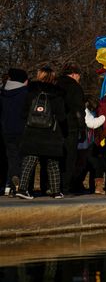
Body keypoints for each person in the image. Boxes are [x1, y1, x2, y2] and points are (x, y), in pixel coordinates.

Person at [16, 66, 67, 199]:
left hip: (32, 131)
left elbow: (23, 113)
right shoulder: (57, 94)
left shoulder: (30, 92)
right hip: (51, 132)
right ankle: (56, 191)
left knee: (29, 160)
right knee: (53, 162)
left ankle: (22, 189)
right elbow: (61, 116)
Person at [56, 64, 85, 193]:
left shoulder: (56, 85)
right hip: (71, 126)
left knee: (56, 158)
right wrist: (82, 127)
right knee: (70, 158)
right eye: (79, 76)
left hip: (56, 126)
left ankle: (53, 185)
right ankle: (66, 186)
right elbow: (79, 110)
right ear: (74, 74)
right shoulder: (75, 87)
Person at [1, 68, 28, 196]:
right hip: (22, 129)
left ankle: (9, 184)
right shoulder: (25, 93)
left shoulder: (3, 92)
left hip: (6, 130)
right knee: (23, 158)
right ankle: (20, 184)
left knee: (11, 158)